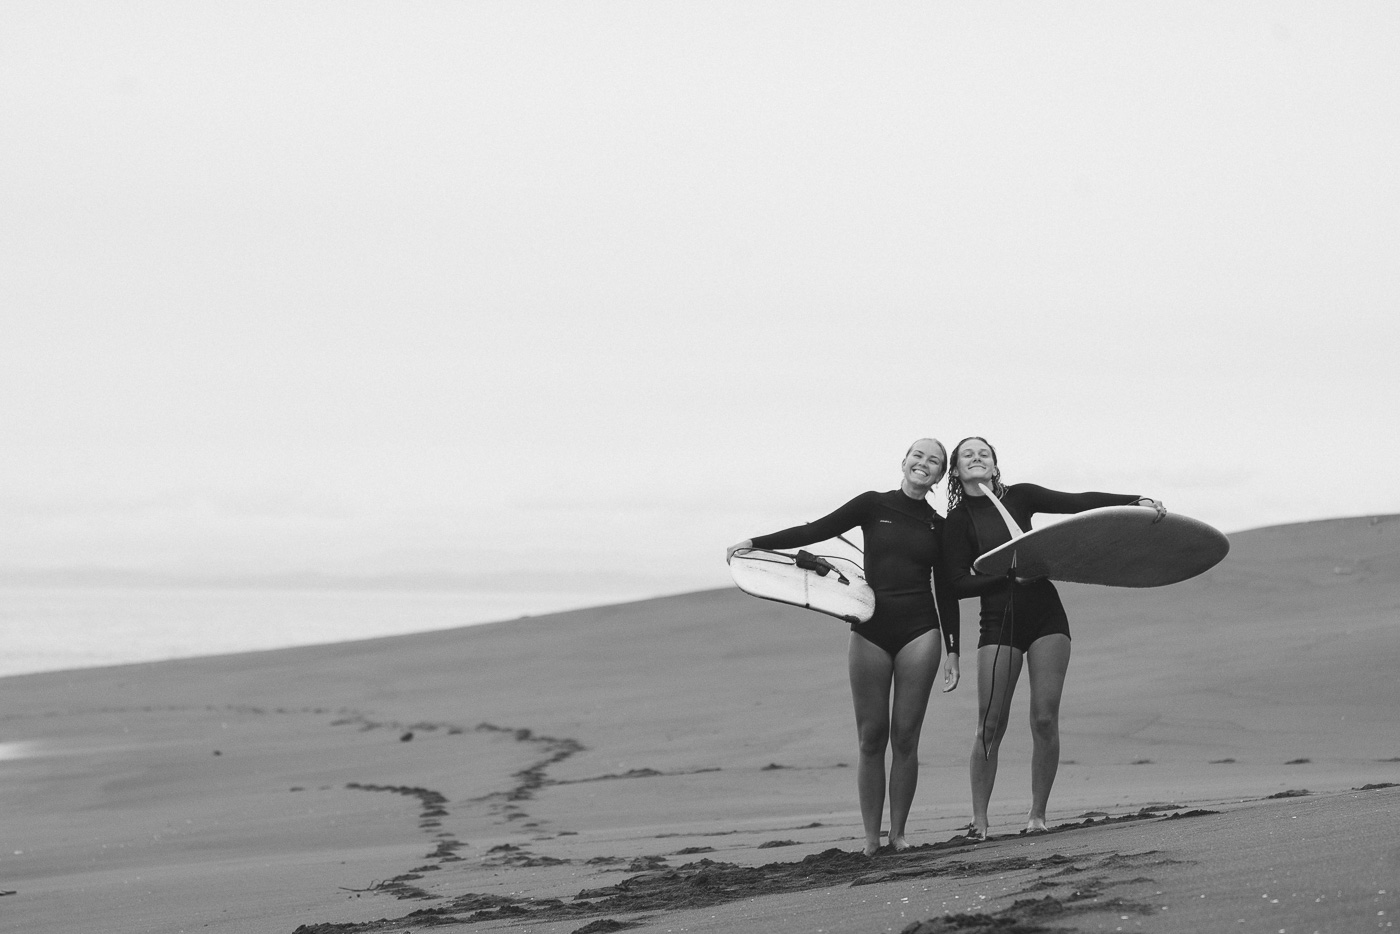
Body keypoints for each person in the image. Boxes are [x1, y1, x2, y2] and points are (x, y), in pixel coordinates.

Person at [726, 439, 961, 856]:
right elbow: (814, 530)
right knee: (871, 737)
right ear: (904, 461)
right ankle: (871, 839)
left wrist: (954, 649)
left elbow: (945, 589)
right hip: (870, 626)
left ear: (941, 476)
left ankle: (898, 835)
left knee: (905, 737)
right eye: (918, 456)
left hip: (920, 631)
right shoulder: (873, 505)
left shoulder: (937, 526)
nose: (924, 464)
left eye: (935, 462)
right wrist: (755, 542)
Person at [942, 437, 1164, 839]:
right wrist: (1007, 577)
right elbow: (956, 583)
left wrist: (1135, 501)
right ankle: (979, 822)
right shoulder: (956, 522)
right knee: (990, 725)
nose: (976, 458)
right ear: (956, 471)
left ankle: (1037, 816)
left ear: (994, 466)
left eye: (984, 454)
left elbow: (1078, 502)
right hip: (998, 622)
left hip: (1046, 615)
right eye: (966, 456)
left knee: (1044, 718)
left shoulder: (1021, 497)